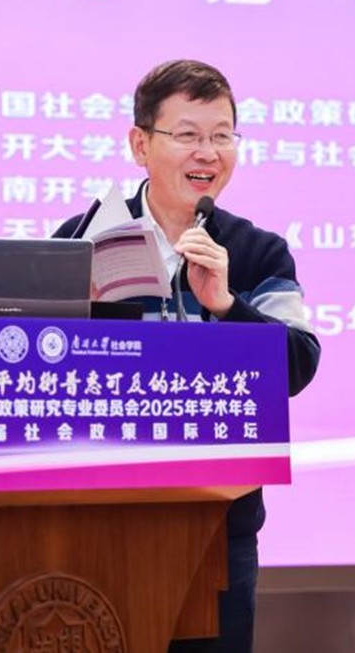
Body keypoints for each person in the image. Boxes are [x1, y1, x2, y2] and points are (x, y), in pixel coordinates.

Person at [54, 59, 321, 652]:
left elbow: (298, 365)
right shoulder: (80, 241)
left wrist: (227, 305)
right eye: (188, 135)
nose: (208, 153)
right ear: (140, 144)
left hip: (216, 533)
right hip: (93, 523)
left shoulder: (256, 252)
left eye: (222, 136)